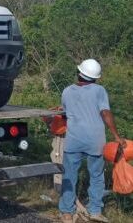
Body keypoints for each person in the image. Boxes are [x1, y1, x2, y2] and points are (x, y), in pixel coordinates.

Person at [59, 59, 126, 223]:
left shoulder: (67, 91)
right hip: (95, 141)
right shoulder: (99, 90)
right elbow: (105, 113)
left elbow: (65, 114)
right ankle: (95, 210)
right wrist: (116, 136)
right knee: (96, 176)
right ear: (95, 78)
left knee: (69, 175)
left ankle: (67, 213)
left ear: (79, 73)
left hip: (73, 140)